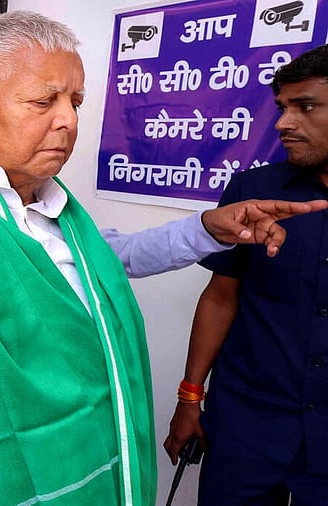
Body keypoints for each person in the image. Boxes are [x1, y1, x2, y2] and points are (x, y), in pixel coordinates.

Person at [0, 11, 328, 505]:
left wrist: (208, 228)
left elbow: (115, 256)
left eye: (74, 102)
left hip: (85, 476)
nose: (68, 122)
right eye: (43, 102)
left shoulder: (61, 212)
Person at [164, 44, 328, 505]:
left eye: (306, 106)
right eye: (282, 107)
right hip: (247, 429)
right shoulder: (252, 193)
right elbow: (220, 297)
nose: (283, 123)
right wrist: (190, 397)